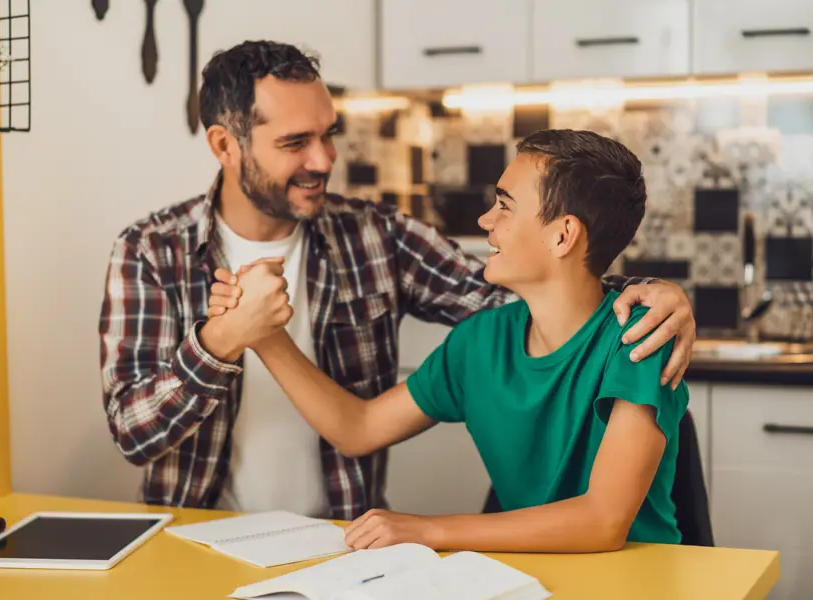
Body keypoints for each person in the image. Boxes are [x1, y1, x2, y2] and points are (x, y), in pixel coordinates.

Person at [98, 39, 697, 521]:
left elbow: (541, 295)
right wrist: (223, 339)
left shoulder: (376, 236)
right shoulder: (152, 251)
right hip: (198, 534)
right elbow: (133, 433)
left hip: (338, 543)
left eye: (328, 133)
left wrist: (649, 295)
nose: (324, 159)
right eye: (294, 142)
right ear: (226, 146)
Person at [211, 129, 689, 553]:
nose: (485, 221)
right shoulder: (480, 343)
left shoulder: (641, 335)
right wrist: (266, 338)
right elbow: (358, 428)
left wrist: (427, 530)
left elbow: (602, 522)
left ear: (563, 235)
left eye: (504, 205)